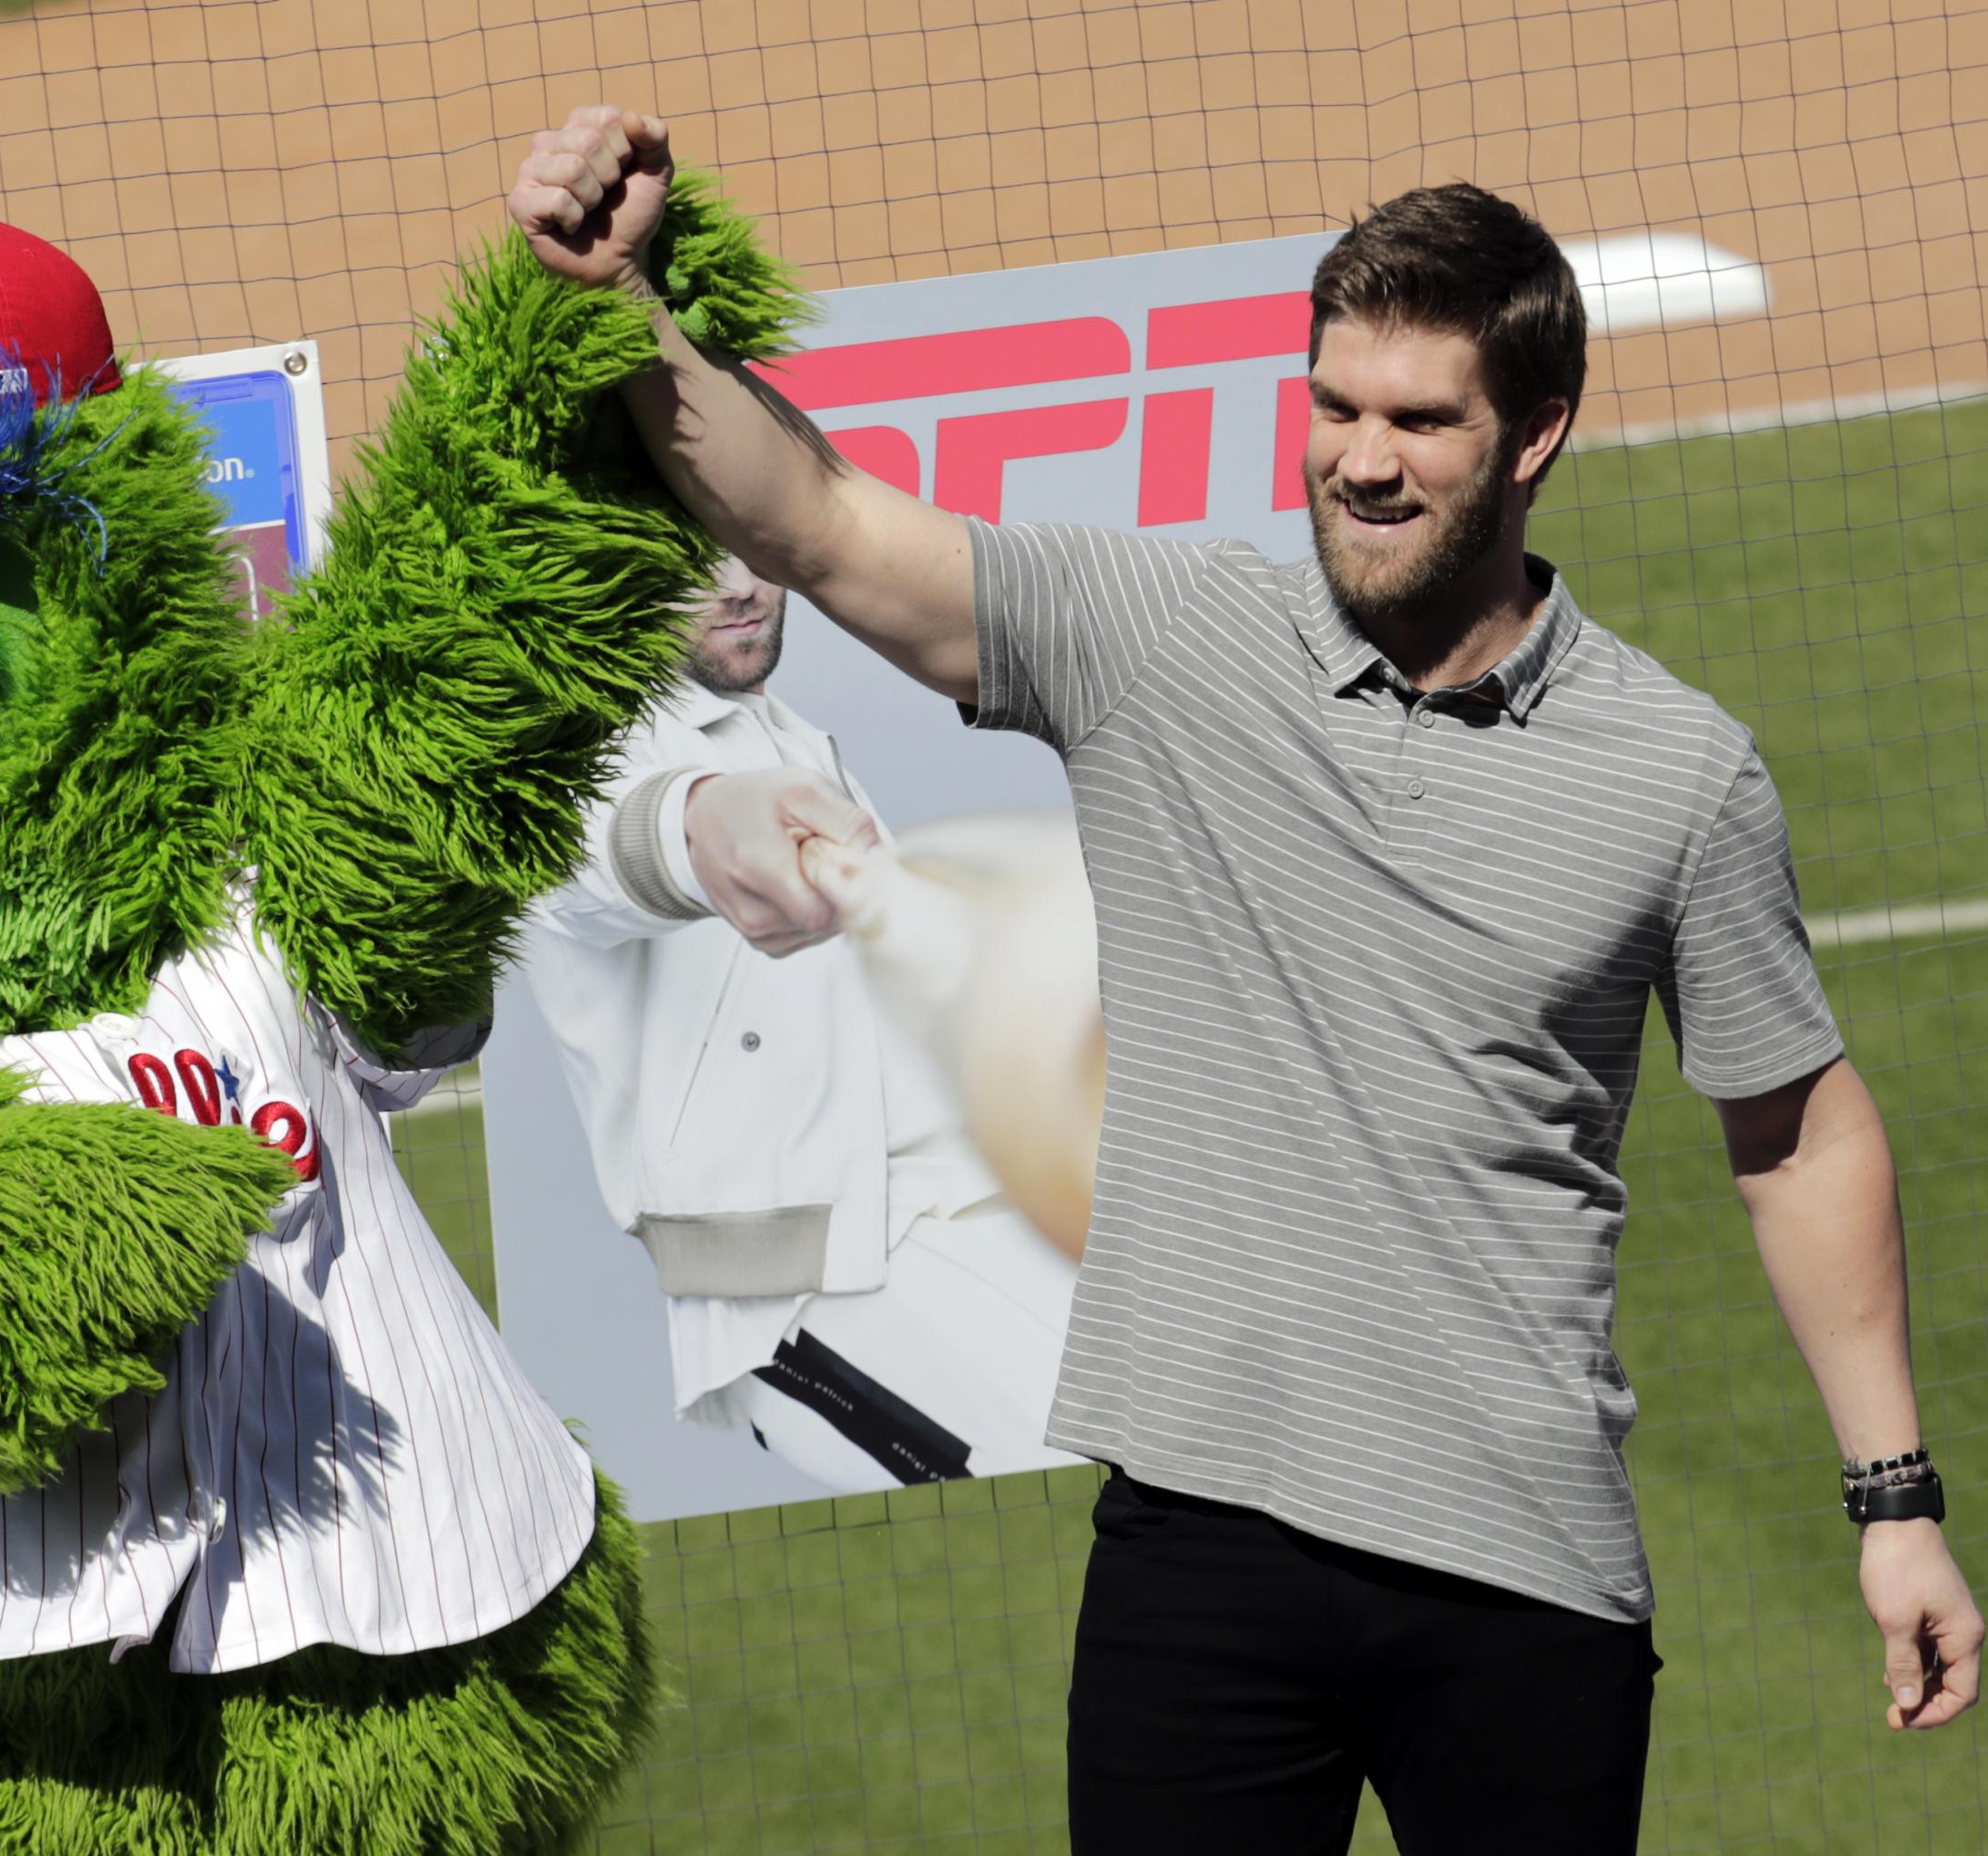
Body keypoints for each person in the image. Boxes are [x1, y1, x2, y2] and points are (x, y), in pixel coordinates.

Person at [507, 105, 1983, 1853]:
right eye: (1334, 407)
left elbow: (1795, 1131)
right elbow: (823, 524)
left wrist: (1892, 1501)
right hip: (1202, 1552)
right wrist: (626, 302)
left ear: (1537, 437)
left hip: (1527, 1572)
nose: (1361, 460)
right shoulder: (1158, 638)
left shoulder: (1678, 770)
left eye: (1420, 421)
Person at [524, 556, 1090, 1488]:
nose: (740, 584)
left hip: (960, 1204)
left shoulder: (785, 733)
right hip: (805, 1297)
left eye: (748, 545)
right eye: (689, 556)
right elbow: (608, 848)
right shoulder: (575, 747)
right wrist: (697, 827)